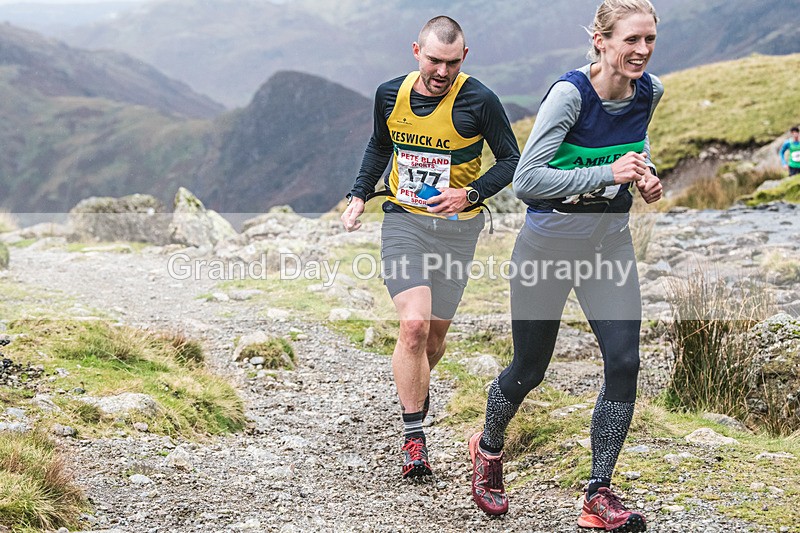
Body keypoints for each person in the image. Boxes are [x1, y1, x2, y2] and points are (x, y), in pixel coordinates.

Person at [468, 1, 663, 530]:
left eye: (649, 39)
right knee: (530, 368)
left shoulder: (650, 91)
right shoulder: (570, 95)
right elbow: (528, 181)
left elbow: (638, 146)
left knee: (624, 363)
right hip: (548, 248)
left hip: (609, 246)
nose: (642, 51)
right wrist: (606, 173)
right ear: (600, 41)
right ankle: (487, 450)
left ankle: (598, 494)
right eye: (631, 40)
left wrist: (646, 176)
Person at [341, 16, 519, 479]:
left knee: (434, 340)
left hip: (458, 231)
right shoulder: (388, 94)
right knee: (414, 326)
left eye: (452, 63)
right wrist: (359, 195)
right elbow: (380, 146)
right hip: (404, 222)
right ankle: (414, 436)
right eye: (435, 61)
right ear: (416, 51)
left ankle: (415, 391)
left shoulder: (480, 100)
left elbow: (512, 162)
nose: (442, 72)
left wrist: (470, 193)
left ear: (465, 57)